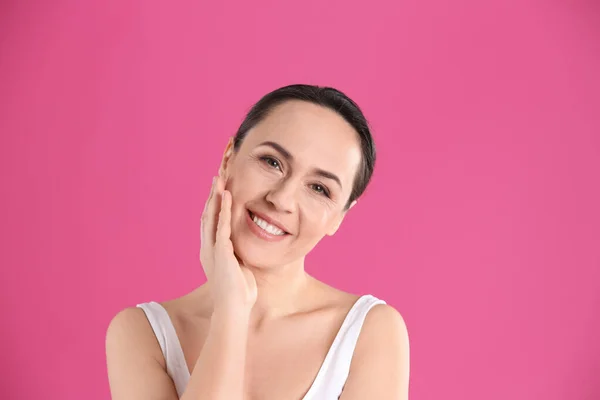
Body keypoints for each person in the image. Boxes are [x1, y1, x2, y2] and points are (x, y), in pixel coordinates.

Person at [105, 84, 410, 399]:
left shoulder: (369, 333)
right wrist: (231, 311)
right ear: (228, 159)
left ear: (339, 217)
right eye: (272, 162)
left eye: (319, 188)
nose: (281, 200)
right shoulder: (143, 333)